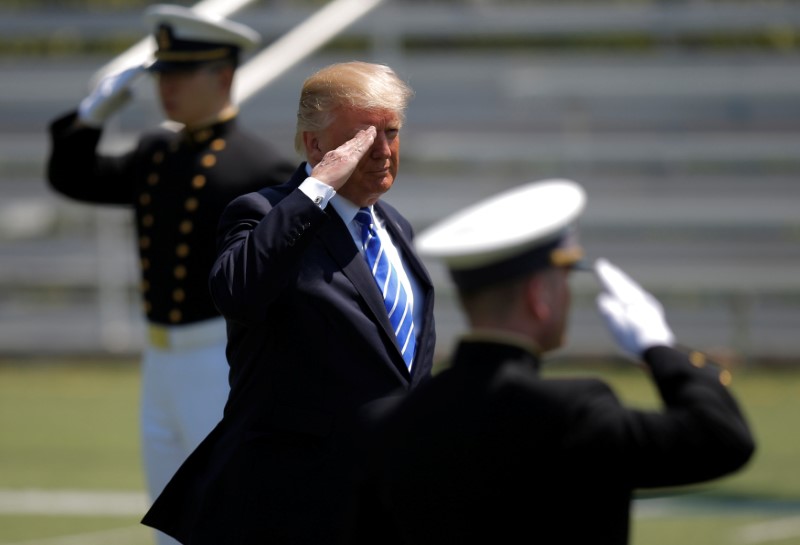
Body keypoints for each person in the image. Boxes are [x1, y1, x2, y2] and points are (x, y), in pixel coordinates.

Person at [351, 179, 755, 545]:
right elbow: (722, 438)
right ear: (538, 296)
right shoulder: (574, 413)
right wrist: (659, 348)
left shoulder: (395, 424)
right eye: (565, 274)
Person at [141, 61, 436, 544]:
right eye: (363, 136)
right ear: (315, 143)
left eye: (391, 131)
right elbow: (237, 292)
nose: (383, 150)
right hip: (293, 504)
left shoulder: (394, 226)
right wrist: (316, 188)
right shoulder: (264, 213)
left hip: (382, 496)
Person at [46, 5, 295, 545]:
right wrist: (90, 118)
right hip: (159, 357)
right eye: (163, 74)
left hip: (220, 359)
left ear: (223, 75)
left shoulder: (261, 167)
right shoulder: (156, 151)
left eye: (182, 74)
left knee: (225, 513)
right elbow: (74, 178)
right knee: (169, 520)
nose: (168, 88)